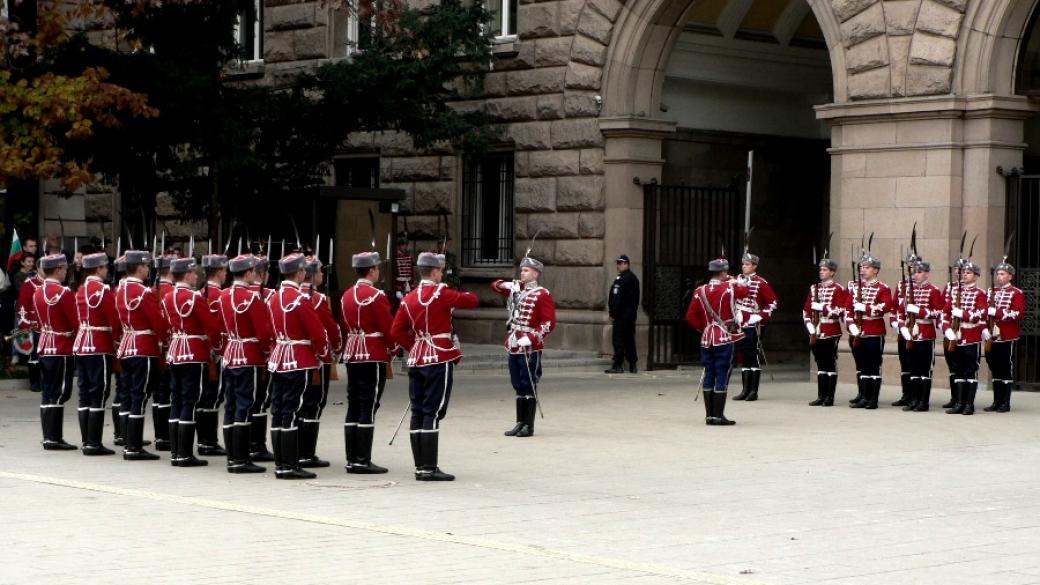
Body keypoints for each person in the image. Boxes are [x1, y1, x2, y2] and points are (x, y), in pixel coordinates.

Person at [391, 252, 479, 481]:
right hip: (439, 355)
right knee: (432, 411)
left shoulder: (409, 297)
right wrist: (450, 290)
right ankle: (429, 467)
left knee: (418, 410)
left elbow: (396, 331)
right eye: (440, 270)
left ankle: (420, 466)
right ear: (435, 271)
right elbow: (472, 300)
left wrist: (416, 345)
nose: (442, 273)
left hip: (418, 357)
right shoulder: (442, 293)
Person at [266, 253, 330, 480]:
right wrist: (324, 355)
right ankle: (290, 465)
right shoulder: (300, 299)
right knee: (292, 411)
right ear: (300, 272)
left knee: (278, 412)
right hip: (298, 358)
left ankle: (280, 464)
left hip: (278, 358)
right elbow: (317, 333)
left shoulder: (273, 298)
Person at [161, 258, 221, 467]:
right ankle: (185, 454)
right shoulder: (193, 298)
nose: (197, 276)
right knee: (189, 401)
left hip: (175, 351)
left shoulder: (168, 297)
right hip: (193, 352)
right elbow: (210, 326)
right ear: (186, 274)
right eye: (194, 273)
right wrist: (217, 348)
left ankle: (176, 453)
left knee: (176, 400)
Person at [340, 251, 396, 473]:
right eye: (377, 268)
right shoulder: (376, 296)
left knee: (353, 402)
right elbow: (387, 327)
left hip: (352, 352)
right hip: (372, 353)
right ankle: (362, 459)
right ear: (372, 270)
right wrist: (394, 347)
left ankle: (352, 457)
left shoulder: (346, 295)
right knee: (368, 404)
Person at [218, 254, 273, 473]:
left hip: (230, 353)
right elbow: (262, 332)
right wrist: (267, 352)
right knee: (244, 404)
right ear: (249, 272)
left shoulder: (223, 296)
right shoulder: (252, 299)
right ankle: (240, 459)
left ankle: (232, 456)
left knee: (230, 405)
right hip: (248, 355)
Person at [490, 255, 556, 437]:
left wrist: (533, 338)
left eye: (526, 270)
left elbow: (549, 322)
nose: (522, 273)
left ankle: (529, 425)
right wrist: (508, 285)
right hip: (513, 342)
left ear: (535, 273)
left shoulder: (542, 294)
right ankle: (519, 423)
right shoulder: (517, 290)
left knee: (529, 383)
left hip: (529, 345)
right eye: (522, 270)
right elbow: (494, 285)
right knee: (517, 383)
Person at [115, 250, 169, 461]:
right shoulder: (143, 293)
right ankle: (134, 447)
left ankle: (128, 442)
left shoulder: (120, 290)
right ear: (139, 267)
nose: (148, 270)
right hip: (143, 347)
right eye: (146, 266)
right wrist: (165, 339)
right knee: (140, 396)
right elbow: (158, 322)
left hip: (127, 345)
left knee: (128, 395)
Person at [684, 257, 748, 426]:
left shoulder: (700, 290)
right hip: (724, 337)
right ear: (723, 272)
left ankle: (709, 415)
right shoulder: (730, 286)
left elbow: (690, 317)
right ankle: (718, 415)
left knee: (709, 373)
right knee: (722, 374)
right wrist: (736, 281)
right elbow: (744, 293)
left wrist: (705, 328)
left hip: (707, 338)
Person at [72, 252, 122, 455]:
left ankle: (87, 441)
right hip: (99, 345)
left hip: (81, 344)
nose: (107, 270)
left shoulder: (81, 290)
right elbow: (114, 320)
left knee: (84, 394)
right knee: (99, 393)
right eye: (105, 267)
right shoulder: (102, 290)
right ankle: (93, 443)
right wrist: (118, 342)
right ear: (99, 268)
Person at [297, 255, 342, 469]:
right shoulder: (317, 299)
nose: (323, 274)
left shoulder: (287, 295)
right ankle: (306, 452)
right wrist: (335, 349)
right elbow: (330, 328)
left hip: (292, 359)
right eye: (320, 271)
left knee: (298, 405)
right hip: (314, 358)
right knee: (314, 404)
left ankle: (295, 450)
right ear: (311, 274)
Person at [33, 253, 80, 450]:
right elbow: (75, 322)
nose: (66, 272)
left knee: (48, 393)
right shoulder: (63, 293)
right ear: (58, 269)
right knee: (59, 393)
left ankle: (48, 437)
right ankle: (54, 438)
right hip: (61, 346)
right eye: (65, 269)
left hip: (45, 345)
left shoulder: (37, 291)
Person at [892, 260, 944, 412]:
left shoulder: (933, 290)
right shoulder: (908, 290)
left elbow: (938, 312)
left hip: (926, 333)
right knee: (913, 368)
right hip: (910, 333)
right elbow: (900, 312)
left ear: (927, 273)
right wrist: (902, 328)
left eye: (919, 272)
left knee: (924, 368)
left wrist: (921, 311)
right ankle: (913, 400)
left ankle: (923, 401)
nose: (916, 275)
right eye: (914, 272)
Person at [845, 253, 892, 410]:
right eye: (862, 267)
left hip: (874, 331)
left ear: (876, 270)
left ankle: (873, 399)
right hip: (858, 331)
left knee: (873, 365)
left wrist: (865, 308)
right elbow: (848, 308)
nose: (862, 270)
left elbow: (886, 307)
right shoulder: (856, 287)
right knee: (862, 365)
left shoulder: (882, 288)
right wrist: (851, 325)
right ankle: (863, 396)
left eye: (867, 268)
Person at [941, 260, 988, 415]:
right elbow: (944, 313)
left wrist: (964, 314)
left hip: (971, 337)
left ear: (976, 276)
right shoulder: (954, 292)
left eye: (968, 273)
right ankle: (959, 403)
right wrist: (947, 329)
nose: (964, 275)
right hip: (956, 336)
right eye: (963, 272)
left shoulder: (980, 294)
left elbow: (981, 314)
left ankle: (969, 404)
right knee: (958, 370)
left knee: (970, 371)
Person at [195, 254, 229, 456]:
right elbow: (218, 326)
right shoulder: (220, 295)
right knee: (213, 397)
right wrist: (217, 349)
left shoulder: (200, 293)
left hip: (202, 349)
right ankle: (208, 441)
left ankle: (205, 440)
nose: (226, 274)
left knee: (205, 397)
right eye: (224, 271)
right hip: (214, 352)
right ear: (218, 272)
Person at [733, 251, 777, 401]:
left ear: (754, 266)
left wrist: (759, 316)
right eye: (743, 264)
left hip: (754, 321)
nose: (744, 267)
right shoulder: (737, 279)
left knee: (753, 355)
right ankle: (744, 389)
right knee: (744, 355)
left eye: (747, 264)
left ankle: (753, 391)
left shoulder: (761, 282)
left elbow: (773, 303)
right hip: (739, 320)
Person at [803, 256, 847, 407]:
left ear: (832, 272)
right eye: (821, 269)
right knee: (820, 363)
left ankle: (829, 397)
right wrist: (809, 326)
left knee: (829, 362)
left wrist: (823, 308)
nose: (821, 272)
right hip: (816, 330)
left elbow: (841, 310)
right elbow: (806, 310)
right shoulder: (814, 288)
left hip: (831, 329)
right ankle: (821, 396)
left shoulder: (838, 289)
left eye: (825, 270)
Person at [983, 260, 1025, 412]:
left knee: (1005, 367)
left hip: (1007, 336)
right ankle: (996, 401)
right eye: (997, 274)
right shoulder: (990, 291)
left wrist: (999, 313)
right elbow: (984, 311)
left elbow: (1018, 313)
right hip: (991, 335)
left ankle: (1005, 403)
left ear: (1010, 276)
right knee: (993, 366)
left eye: (1002, 274)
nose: (999, 277)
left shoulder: (1016, 293)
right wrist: (984, 328)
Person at [247, 255, 277, 462]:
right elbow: (268, 327)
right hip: (259, 353)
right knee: (260, 400)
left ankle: (248, 445)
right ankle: (256, 444)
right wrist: (268, 350)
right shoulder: (268, 295)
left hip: (238, 352)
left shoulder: (232, 294)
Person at [151, 255, 175, 451]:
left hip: (154, 347)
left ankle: (160, 436)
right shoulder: (170, 292)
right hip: (168, 347)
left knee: (159, 393)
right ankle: (164, 436)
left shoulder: (153, 291)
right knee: (166, 391)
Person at [606, 254, 640, 374]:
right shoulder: (634, 278)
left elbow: (616, 298)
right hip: (631, 315)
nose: (618, 266)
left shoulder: (622, 279)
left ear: (627, 264)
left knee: (618, 339)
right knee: (629, 339)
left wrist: (613, 313)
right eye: (618, 263)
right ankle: (633, 364)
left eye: (621, 263)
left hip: (621, 315)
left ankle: (618, 364)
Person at [15, 254, 43, 392]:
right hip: (34, 326)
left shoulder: (54, 284)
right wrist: (24, 325)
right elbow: (22, 307)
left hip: (50, 328)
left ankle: (47, 381)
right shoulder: (29, 283)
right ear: (38, 268)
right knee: (35, 356)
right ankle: (35, 382)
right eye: (44, 267)